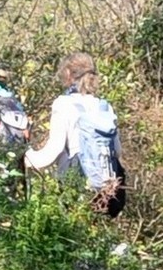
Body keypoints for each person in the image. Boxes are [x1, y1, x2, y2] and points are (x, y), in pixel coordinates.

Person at [27, 53, 126, 216]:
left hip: (75, 184)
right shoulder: (104, 107)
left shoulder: (63, 104)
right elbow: (117, 151)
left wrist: (27, 159)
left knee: (72, 223)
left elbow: (54, 150)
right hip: (106, 189)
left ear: (67, 74)